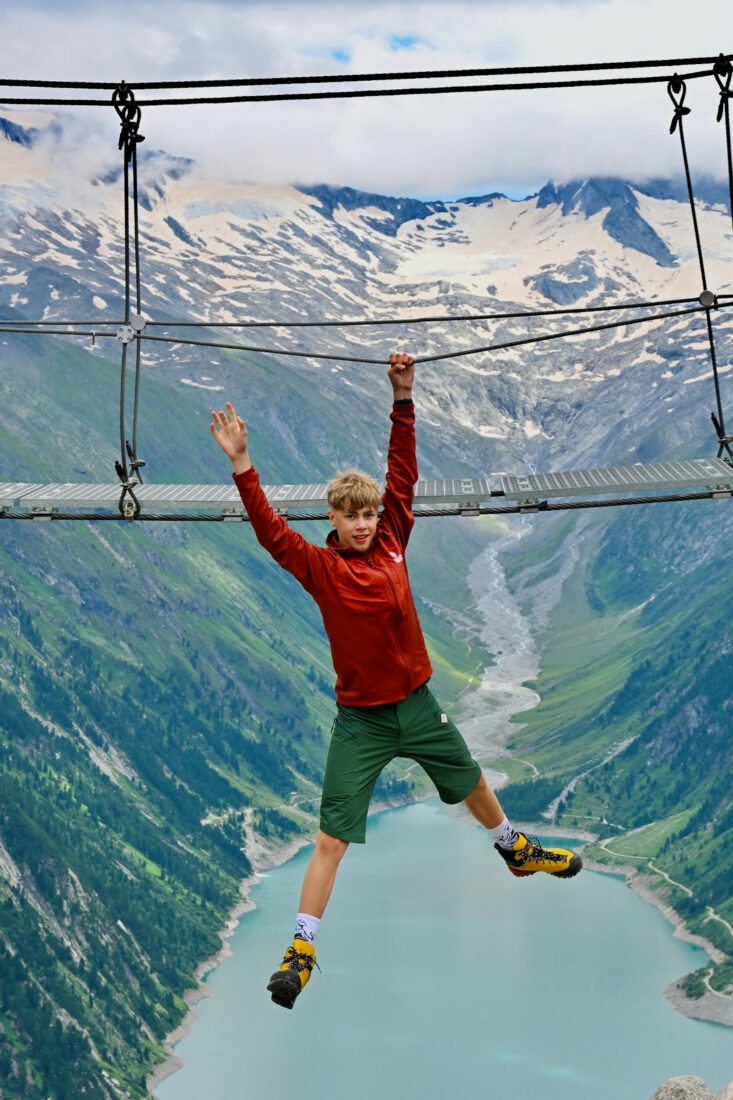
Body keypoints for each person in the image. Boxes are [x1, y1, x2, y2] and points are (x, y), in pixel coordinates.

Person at [210, 352, 582, 1010]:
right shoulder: (318, 567)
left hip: (416, 703)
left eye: (367, 513)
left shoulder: (390, 540)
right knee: (330, 838)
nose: (360, 522)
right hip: (361, 719)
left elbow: (402, 473)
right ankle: (299, 951)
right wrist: (242, 462)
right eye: (349, 515)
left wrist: (402, 395)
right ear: (333, 518)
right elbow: (270, 531)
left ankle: (514, 849)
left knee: (468, 779)